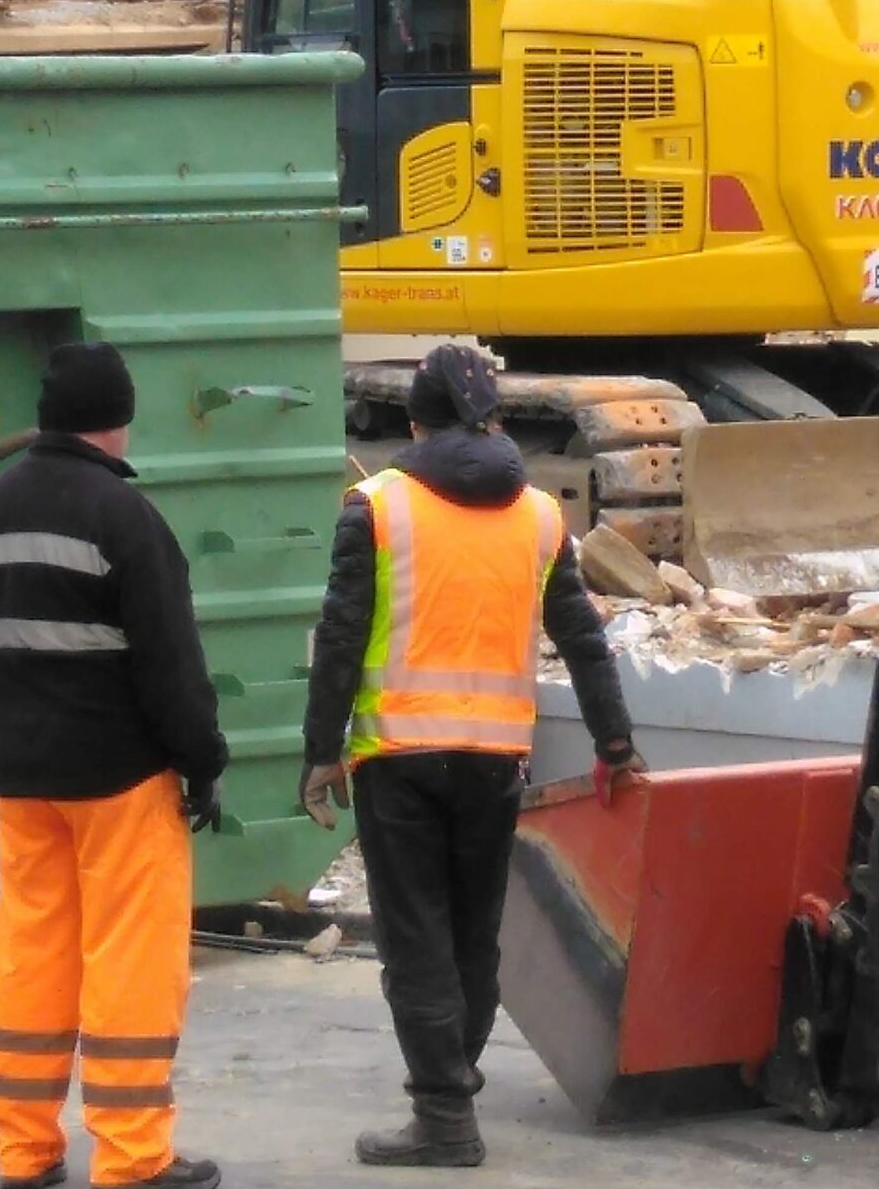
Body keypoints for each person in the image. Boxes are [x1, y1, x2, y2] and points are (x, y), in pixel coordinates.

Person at [299, 345, 642, 1168]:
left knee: (416, 939)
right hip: (495, 758)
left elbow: (341, 638)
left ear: (415, 422)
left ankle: (445, 1117)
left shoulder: (377, 506)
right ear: (493, 420)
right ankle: (456, 1074)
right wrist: (617, 744)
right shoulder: (536, 515)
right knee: (471, 935)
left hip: (399, 757)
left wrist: (320, 753)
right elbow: (583, 639)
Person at [0, 342, 230, 1189]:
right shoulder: (125, 518)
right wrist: (203, 760)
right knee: (131, 964)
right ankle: (134, 1155)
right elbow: (171, 668)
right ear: (120, 418)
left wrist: (21, 725)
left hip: (24, 778)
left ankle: (24, 1148)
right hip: (121, 781)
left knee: (34, 954)